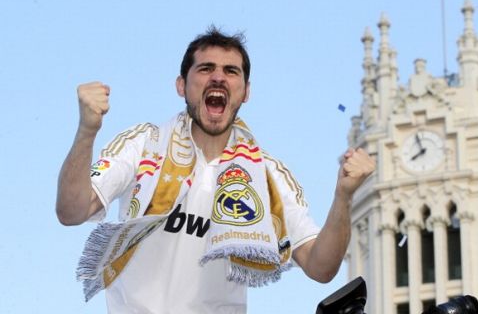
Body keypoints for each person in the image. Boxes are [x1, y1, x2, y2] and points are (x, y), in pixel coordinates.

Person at [56, 27, 376, 314]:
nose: (218, 77)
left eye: (231, 71)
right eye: (206, 68)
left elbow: (321, 267)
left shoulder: (267, 175)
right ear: (181, 85)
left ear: (246, 91)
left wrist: (343, 196)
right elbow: (71, 211)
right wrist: (87, 130)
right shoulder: (144, 144)